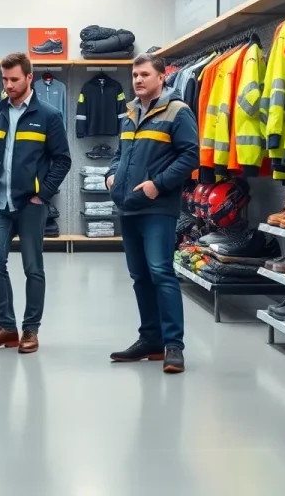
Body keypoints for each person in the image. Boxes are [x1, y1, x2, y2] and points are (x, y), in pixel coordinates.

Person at [0, 52, 71, 354]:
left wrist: (43, 194)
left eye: (13, 79)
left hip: (30, 205)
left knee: (33, 267)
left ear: (28, 78)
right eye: (4, 79)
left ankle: (31, 330)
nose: (8, 85)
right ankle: (7, 327)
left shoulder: (48, 116)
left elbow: (63, 160)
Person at [106, 53, 199, 373]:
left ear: (162, 77)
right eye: (134, 75)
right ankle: (150, 340)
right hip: (128, 206)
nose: (138, 80)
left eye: (144, 74)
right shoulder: (129, 113)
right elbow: (121, 154)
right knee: (140, 276)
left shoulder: (178, 111)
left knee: (161, 271)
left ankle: (174, 345)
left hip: (158, 206)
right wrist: (112, 173)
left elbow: (190, 156)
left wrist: (158, 185)